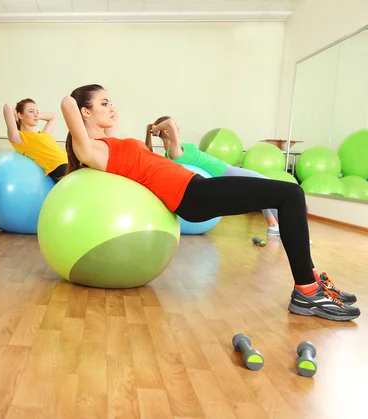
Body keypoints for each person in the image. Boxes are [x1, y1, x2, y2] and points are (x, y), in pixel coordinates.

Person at [60, 84, 359, 322]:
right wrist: (72, 103)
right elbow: (68, 106)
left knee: (288, 194)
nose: (112, 107)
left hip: (195, 187)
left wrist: (111, 111)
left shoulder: (110, 141)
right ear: (84, 112)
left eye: (110, 101)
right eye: (103, 103)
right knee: (290, 194)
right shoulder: (90, 150)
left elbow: (109, 127)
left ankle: (312, 282)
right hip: (191, 196)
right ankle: (307, 290)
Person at [145, 116, 281, 236]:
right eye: (175, 125)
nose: (178, 127)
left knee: (262, 186)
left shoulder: (171, 152)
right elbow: (168, 122)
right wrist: (156, 127)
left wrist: (156, 128)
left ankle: (273, 225)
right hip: (221, 171)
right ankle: (274, 225)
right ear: (168, 131)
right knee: (264, 184)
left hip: (222, 169)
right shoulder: (174, 151)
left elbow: (168, 124)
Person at [3, 98, 68, 183]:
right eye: (31, 111)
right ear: (20, 115)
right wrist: (15, 114)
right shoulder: (19, 137)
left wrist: (36, 116)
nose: (36, 114)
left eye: (37, 111)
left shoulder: (43, 133)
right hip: (61, 169)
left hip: (71, 163)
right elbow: (7, 106)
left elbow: (54, 115)